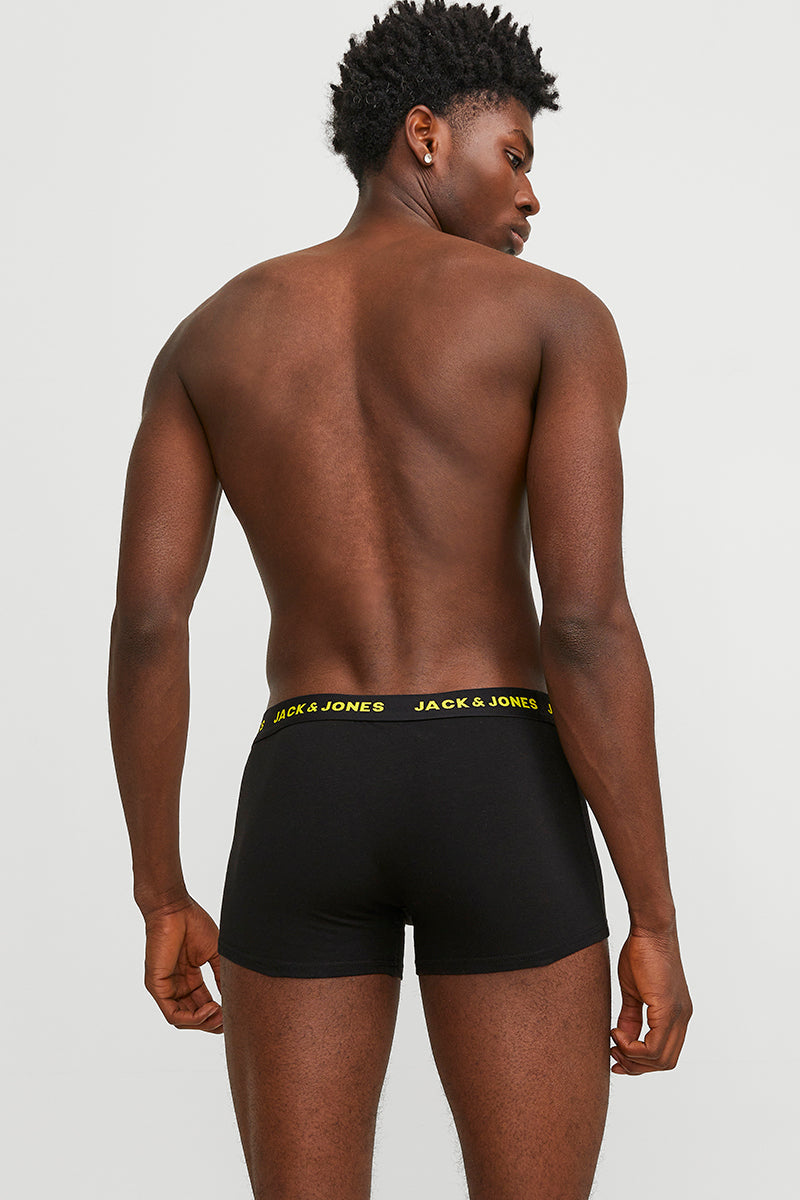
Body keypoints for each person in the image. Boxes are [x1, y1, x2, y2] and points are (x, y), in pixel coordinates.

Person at [107, 1, 693, 1196]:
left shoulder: (208, 338)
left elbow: (148, 625)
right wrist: (652, 916)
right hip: (496, 778)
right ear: (423, 135)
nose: (530, 195)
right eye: (512, 154)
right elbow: (583, 624)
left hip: (306, 785)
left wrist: (159, 890)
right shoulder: (553, 318)